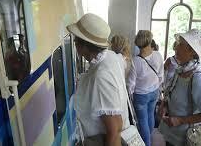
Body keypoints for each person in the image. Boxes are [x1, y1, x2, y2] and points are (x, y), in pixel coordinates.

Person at [67, 13, 130, 146]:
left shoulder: (101, 76)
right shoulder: (111, 56)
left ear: (83, 46)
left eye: (76, 39)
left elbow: (114, 129)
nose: (74, 42)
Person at [158, 29, 201, 146]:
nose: (176, 48)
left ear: (191, 50)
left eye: (180, 44)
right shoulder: (181, 69)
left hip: (187, 138)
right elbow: (173, 93)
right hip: (173, 134)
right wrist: (165, 105)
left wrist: (180, 120)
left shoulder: (198, 77)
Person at [127, 30, 164, 146]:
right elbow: (161, 76)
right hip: (154, 92)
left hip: (140, 95)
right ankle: (150, 137)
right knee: (150, 115)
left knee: (142, 121)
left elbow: (131, 84)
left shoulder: (135, 61)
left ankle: (147, 143)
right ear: (149, 41)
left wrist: (129, 95)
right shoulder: (158, 55)